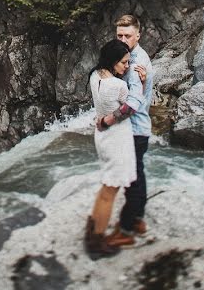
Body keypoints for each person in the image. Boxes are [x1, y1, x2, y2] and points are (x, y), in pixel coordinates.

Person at [103, 14, 154, 247]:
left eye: (127, 35)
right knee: (138, 176)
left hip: (134, 129)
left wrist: (108, 120)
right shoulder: (131, 57)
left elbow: (133, 103)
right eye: (119, 35)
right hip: (140, 129)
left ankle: (125, 229)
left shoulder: (136, 64)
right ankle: (138, 220)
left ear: (138, 35)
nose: (123, 39)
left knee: (131, 181)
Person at [84, 39, 137, 259]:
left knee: (106, 184)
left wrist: (104, 120)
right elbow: (130, 107)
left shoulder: (94, 76)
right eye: (124, 62)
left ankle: (92, 227)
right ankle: (97, 240)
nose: (127, 66)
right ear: (114, 61)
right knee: (111, 190)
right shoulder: (118, 85)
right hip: (116, 138)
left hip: (102, 136)